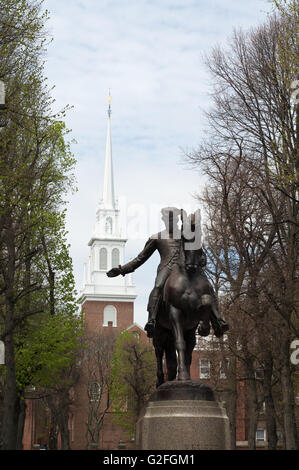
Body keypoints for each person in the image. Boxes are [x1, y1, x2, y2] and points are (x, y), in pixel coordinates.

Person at [107, 207, 183, 337]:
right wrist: (121, 270)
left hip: (183, 269)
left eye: (173, 219)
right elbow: (140, 258)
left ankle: (214, 318)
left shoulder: (186, 236)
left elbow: (197, 251)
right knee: (158, 287)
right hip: (167, 268)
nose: (170, 222)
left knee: (203, 285)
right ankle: (152, 320)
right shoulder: (157, 238)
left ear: (177, 220)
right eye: (167, 220)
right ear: (163, 221)